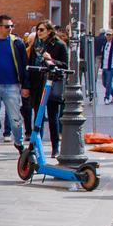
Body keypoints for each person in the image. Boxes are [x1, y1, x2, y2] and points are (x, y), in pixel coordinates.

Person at [0, 14, 29, 156]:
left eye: (11, 26)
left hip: (12, 85)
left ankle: (19, 142)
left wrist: (25, 86)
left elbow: (24, 65)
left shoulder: (17, 43)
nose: (10, 29)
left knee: (15, 119)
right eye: (7, 26)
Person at [28, 20, 69, 159]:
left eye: (41, 30)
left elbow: (65, 65)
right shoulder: (36, 44)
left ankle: (55, 147)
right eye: (38, 30)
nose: (38, 32)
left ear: (49, 31)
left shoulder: (59, 45)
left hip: (52, 84)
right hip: (38, 84)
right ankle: (35, 146)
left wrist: (51, 60)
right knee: (38, 116)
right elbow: (32, 62)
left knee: (53, 117)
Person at [100, 30, 113, 104]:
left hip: (111, 66)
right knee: (104, 83)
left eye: (110, 35)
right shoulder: (105, 44)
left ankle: (106, 97)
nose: (108, 36)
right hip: (104, 66)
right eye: (107, 35)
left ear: (112, 36)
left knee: (108, 82)